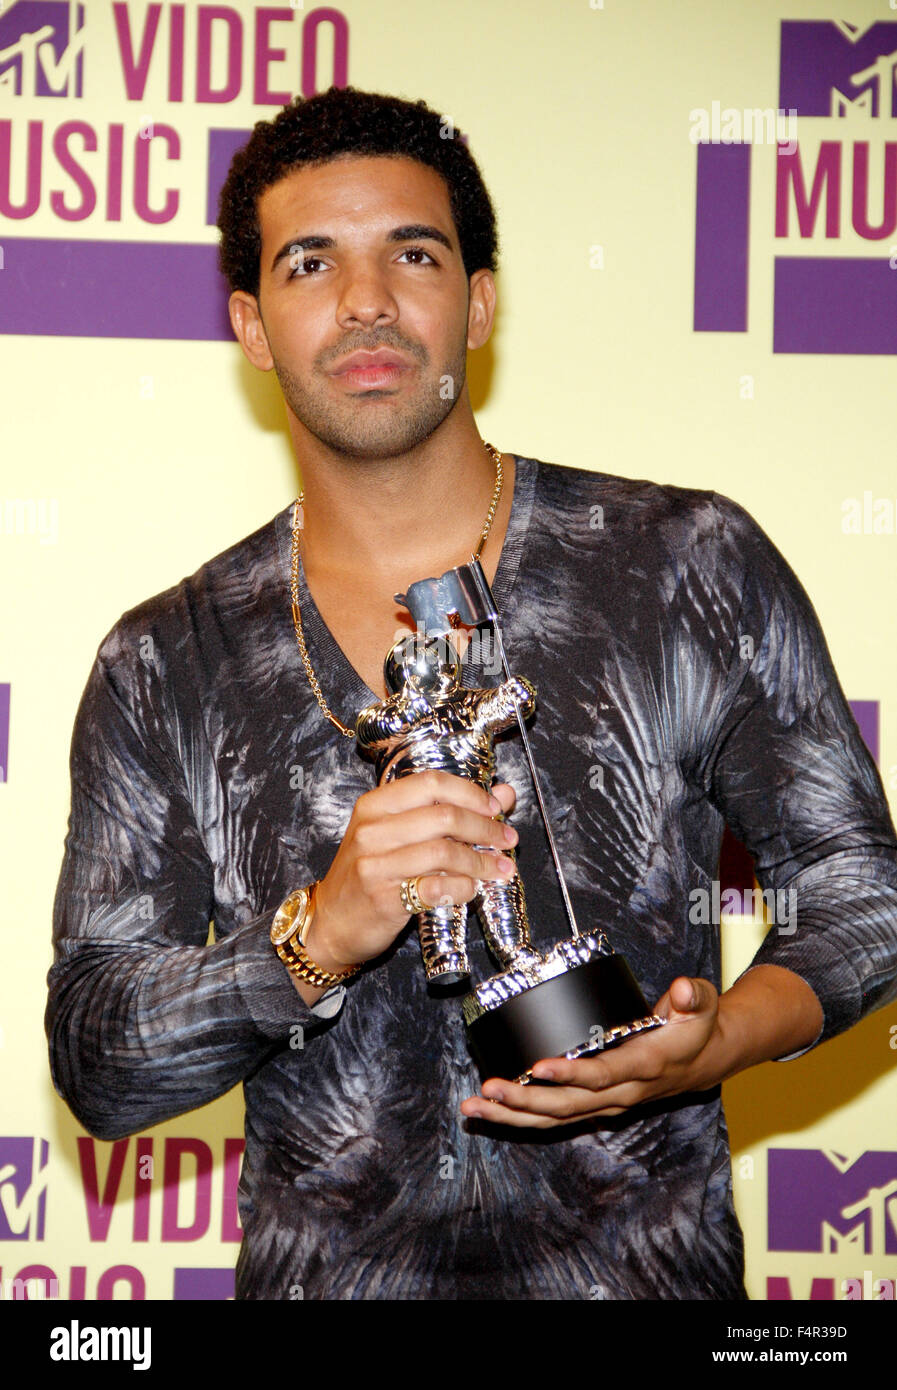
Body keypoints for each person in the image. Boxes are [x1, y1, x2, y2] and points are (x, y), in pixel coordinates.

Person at [47, 86, 897, 1300]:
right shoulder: (164, 661)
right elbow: (98, 1057)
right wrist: (318, 934)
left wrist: (721, 1038)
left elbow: (864, 896)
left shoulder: (681, 562)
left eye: (414, 251)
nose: (366, 303)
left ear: (479, 300)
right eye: (309, 264)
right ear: (250, 322)